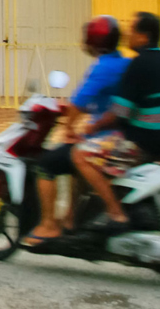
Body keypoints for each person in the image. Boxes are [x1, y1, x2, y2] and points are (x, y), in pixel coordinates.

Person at [22, 16, 130, 247]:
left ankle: (50, 225)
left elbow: (78, 103)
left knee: (47, 163)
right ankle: (70, 218)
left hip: (109, 139)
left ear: (93, 42)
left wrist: (69, 127)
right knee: (71, 157)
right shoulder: (123, 63)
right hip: (119, 133)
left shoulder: (103, 68)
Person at [72, 12, 160, 231]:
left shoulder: (139, 65)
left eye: (132, 30)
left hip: (144, 145)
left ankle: (116, 214)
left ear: (144, 37)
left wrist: (92, 126)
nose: (127, 35)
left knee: (81, 155)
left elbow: (119, 113)